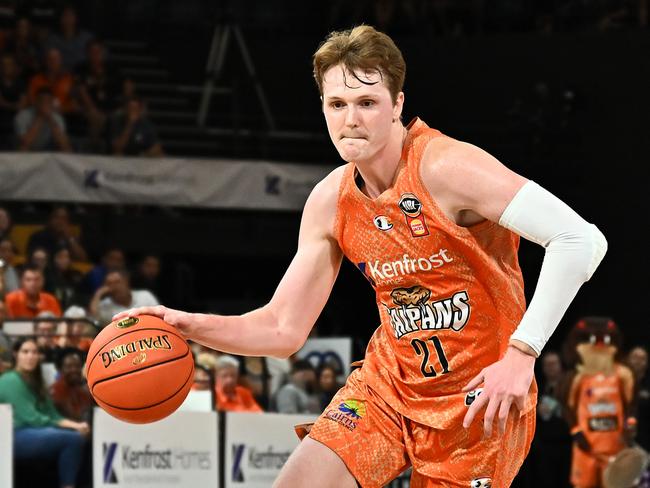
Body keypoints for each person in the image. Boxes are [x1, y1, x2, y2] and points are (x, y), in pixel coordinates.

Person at [115, 25, 608, 486]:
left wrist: (522, 356)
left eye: (367, 102)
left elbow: (580, 241)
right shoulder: (330, 201)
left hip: (480, 402)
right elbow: (283, 329)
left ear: (397, 104)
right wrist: (187, 325)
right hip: (387, 388)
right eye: (337, 103)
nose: (351, 119)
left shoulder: (447, 166)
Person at [0, 337, 90, 488]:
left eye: (34, 352)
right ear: (16, 354)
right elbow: (32, 417)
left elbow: (52, 413)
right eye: (25, 352)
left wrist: (77, 425)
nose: (30, 356)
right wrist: (74, 426)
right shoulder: (9, 380)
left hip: (36, 431)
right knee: (72, 439)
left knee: (82, 438)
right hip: (14, 434)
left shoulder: (38, 381)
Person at [89, 268, 158, 326]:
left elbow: (158, 316)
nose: (114, 287)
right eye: (109, 284)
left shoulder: (145, 295)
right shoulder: (104, 305)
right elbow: (93, 321)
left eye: (117, 282)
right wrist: (98, 294)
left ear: (126, 282)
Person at [14, 86, 72, 151]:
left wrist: (50, 119)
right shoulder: (22, 116)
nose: (45, 104)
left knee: (66, 148)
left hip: (48, 149)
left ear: (52, 102)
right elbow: (25, 142)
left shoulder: (57, 117)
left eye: (48, 101)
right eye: (42, 101)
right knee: (23, 147)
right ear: (35, 101)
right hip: (29, 150)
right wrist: (40, 117)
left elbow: (64, 143)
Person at [50, 347, 94, 421]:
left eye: (77, 366)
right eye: (69, 366)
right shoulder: (54, 393)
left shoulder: (85, 391)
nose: (74, 370)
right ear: (60, 369)